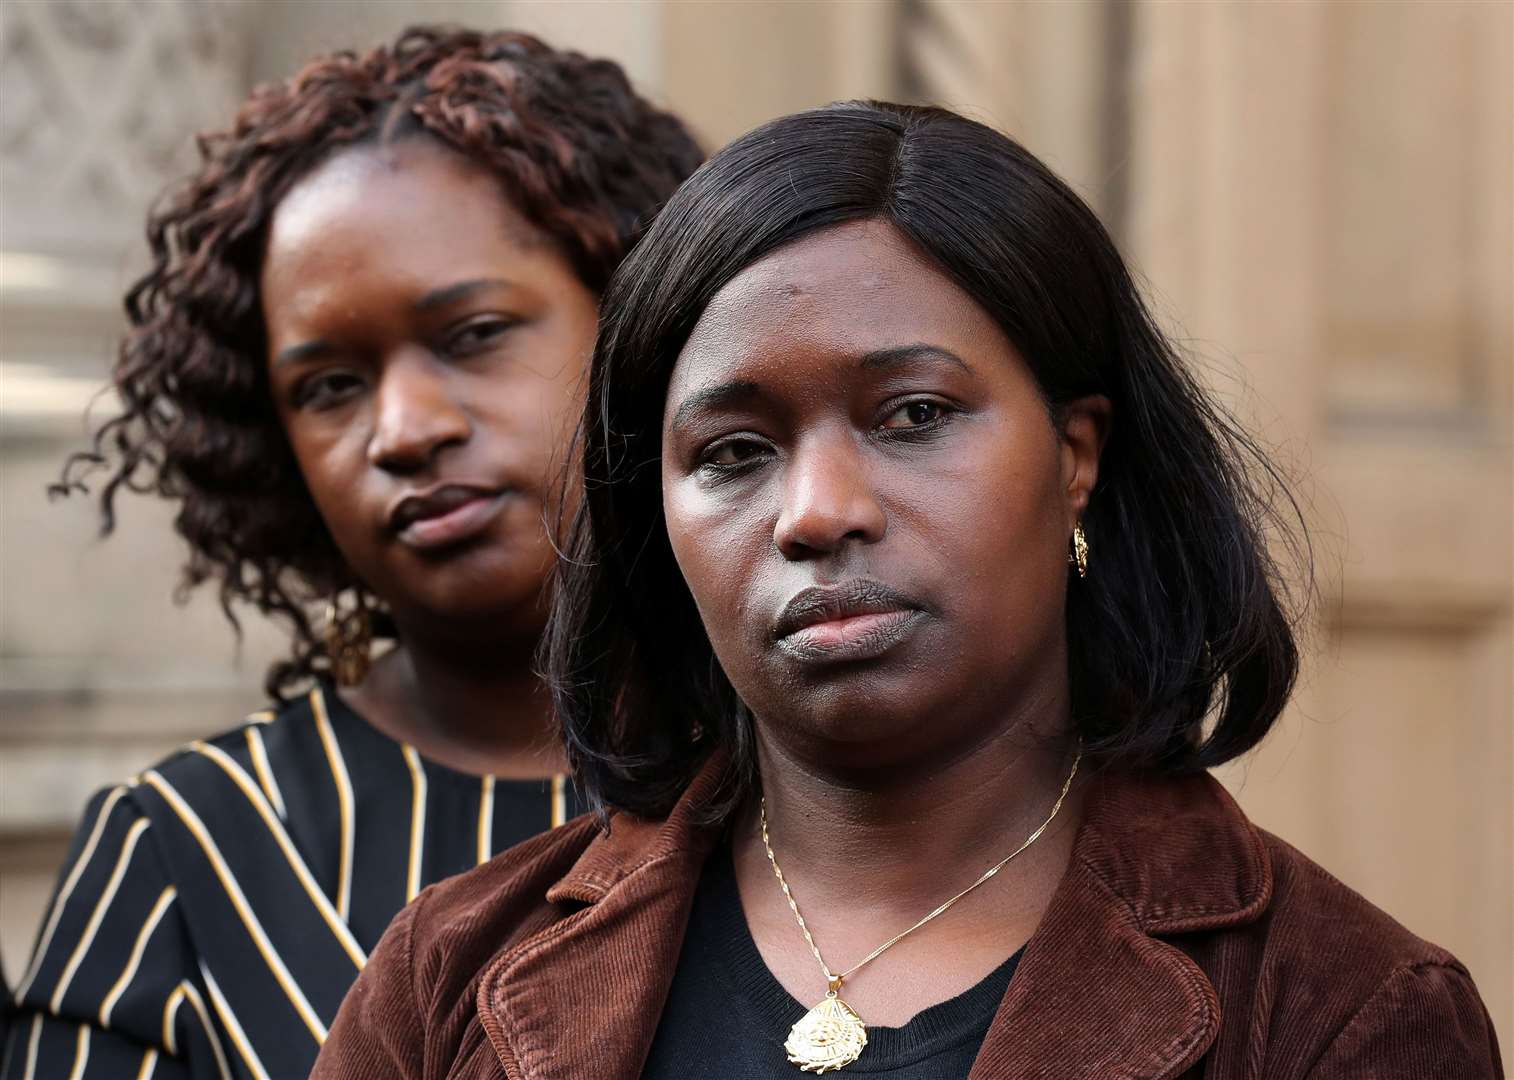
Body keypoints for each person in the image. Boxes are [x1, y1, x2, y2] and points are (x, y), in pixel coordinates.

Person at [311, 102, 1503, 1079]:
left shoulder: (1339, 1017)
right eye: (731, 452)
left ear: (1074, 456)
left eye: (913, 415)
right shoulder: (451, 977)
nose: (817, 510)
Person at [4, 27, 700, 1080]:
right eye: (329, 385)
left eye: (471, 334)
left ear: (640, 326)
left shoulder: (831, 786)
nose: (404, 428)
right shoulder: (184, 853)